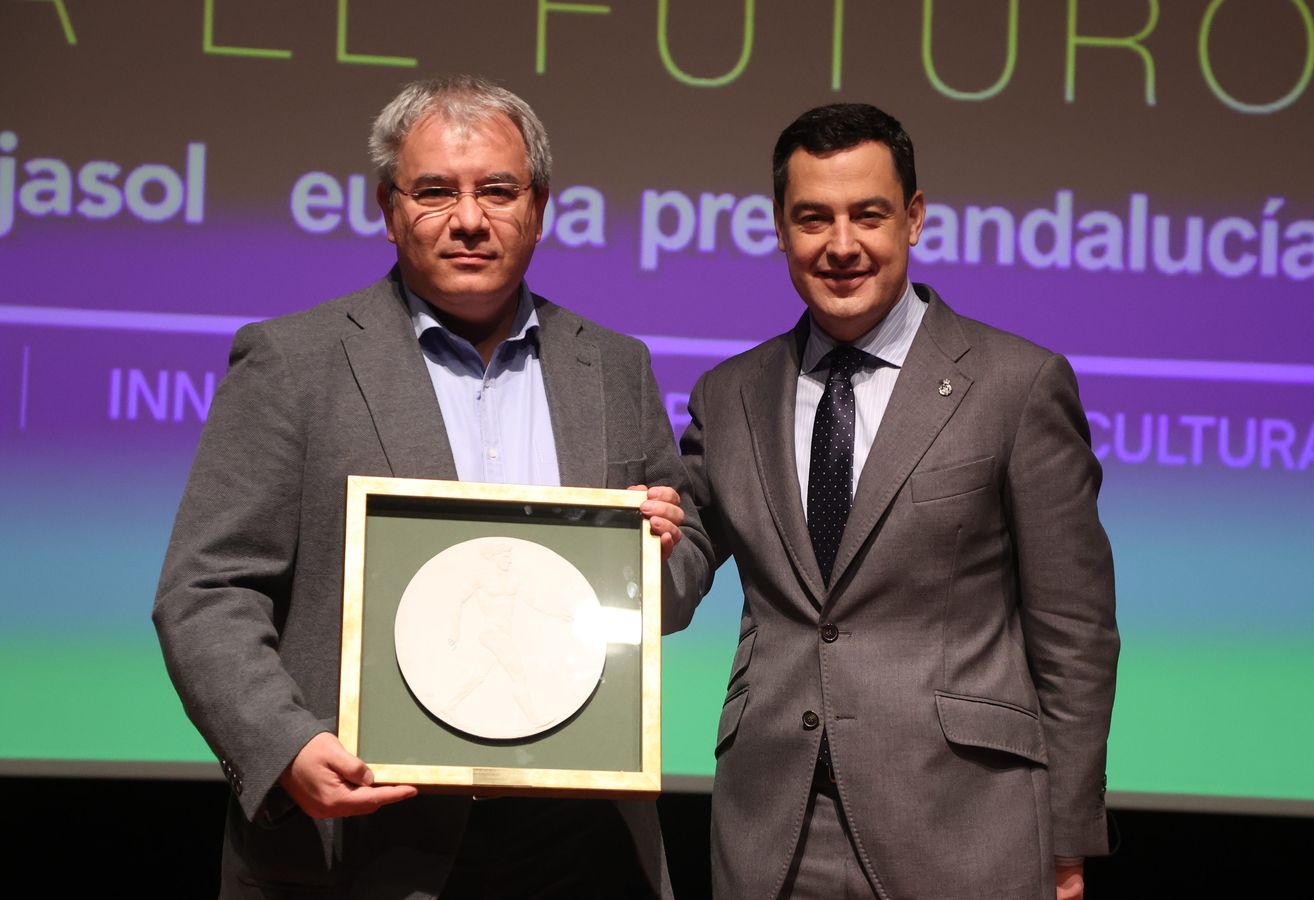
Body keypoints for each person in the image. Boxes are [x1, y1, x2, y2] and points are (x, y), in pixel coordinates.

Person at [153, 74, 710, 899]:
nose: (470, 220)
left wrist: (657, 553)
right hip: (364, 839)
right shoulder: (292, 363)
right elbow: (206, 591)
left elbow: (681, 565)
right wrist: (286, 745)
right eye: (435, 192)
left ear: (540, 206)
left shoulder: (614, 367)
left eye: (497, 190)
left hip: (577, 841)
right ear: (388, 209)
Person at [679, 103, 1119, 899]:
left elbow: (1075, 631)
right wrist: (612, 531)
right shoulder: (729, 395)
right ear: (779, 229)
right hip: (772, 831)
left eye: (868, 215)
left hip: (965, 824)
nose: (840, 245)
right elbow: (677, 573)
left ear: (913, 219)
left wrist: (1068, 833)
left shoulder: (1017, 384)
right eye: (812, 218)